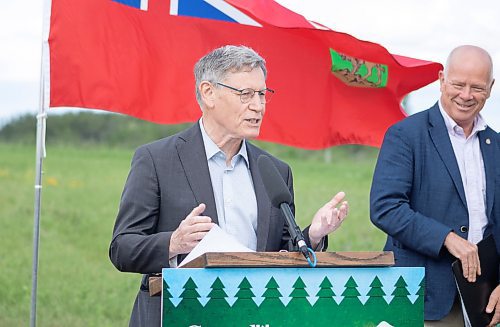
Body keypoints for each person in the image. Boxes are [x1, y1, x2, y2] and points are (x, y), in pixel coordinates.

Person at [109, 45, 349, 326]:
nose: (258, 106)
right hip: (177, 315)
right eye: (245, 94)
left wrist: (314, 235)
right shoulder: (156, 160)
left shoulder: (275, 171)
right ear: (208, 92)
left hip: (252, 317)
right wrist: (173, 243)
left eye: (262, 94)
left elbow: (283, 253)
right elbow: (122, 248)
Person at [370, 45, 500, 326]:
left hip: (485, 302)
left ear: (490, 88)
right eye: (458, 84)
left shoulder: (497, 146)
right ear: (442, 80)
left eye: (476, 87)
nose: (466, 95)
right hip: (424, 298)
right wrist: (447, 238)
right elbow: (385, 207)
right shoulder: (405, 135)